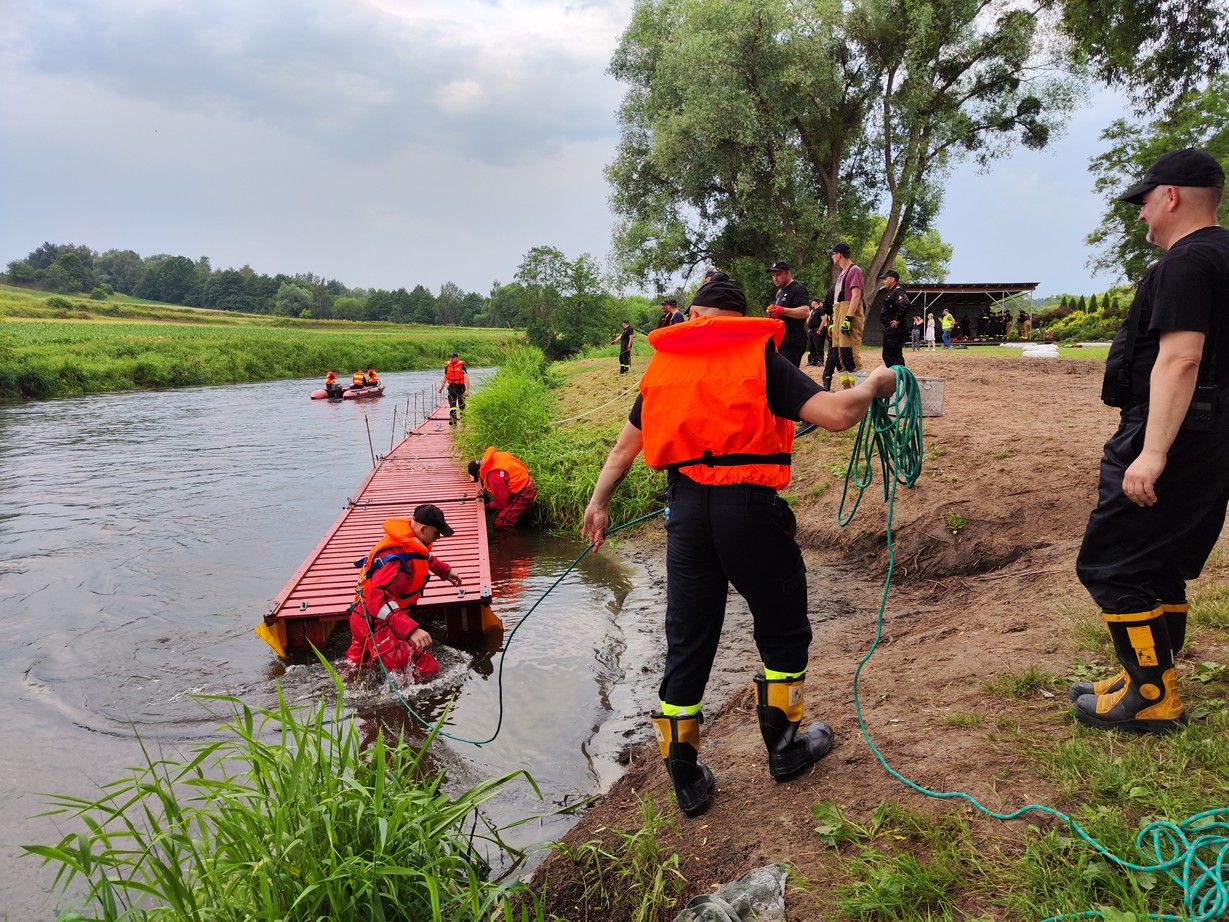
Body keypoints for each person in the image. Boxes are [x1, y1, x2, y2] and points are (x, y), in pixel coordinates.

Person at [580, 276, 898, 818]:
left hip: (684, 515)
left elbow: (624, 447)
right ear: (739, 318)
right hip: (748, 510)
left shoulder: (664, 365)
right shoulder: (757, 356)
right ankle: (785, 748)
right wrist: (875, 384)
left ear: (696, 317)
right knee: (782, 624)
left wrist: (599, 502)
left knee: (688, 639)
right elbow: (838, 415)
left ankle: (685, 779)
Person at [1071, 148, 1229, 734]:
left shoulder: (1186, 264)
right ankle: (1151, 672)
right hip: (1214, 434)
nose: (1140, 215)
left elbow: (1182, 357)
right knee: (1159, 561)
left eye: (1144, 202)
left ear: (1171, 196)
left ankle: (1153, 694)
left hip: (1178, 430)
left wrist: (1153, 452)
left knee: (1111, 564)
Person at [346, 504, 463, 675]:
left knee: (354, 669)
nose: (438, 538)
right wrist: (411, 630)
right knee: (427, 670)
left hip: (361, 617)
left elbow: (422, 556)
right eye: (437, 533)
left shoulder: (410, 541)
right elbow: (377, 601)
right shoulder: (396, 562)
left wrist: (443, 570)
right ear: (423, 529)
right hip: (374, 622)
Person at [468, 446, 537, 530]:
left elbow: (501, 503)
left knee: (500, 525)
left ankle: (512, 542)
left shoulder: (494, 476)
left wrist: (489, 506)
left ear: (479, 472)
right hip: (525, 480)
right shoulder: (496, 456)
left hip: (524, 494)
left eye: (478, 476)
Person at [829, 242, 865, 389]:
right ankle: (847, 390)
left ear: (839, 254)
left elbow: (856, 296)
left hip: (847, 313)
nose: (832, 256)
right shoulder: (841, 274)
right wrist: (834, 321)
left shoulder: (854, 270)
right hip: (838, 313)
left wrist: (848, 318)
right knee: (839, 357)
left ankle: (861, 390)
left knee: (849, 355)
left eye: (833, 253)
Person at [766, 260, 810, 367]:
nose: (775, 278)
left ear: (788, 273)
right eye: (773, 275)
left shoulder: (798, 289)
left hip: (793, 338)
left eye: (778, 274)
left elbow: (805, 311)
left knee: (787, 374)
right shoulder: (780, 292)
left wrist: (783, 310)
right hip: (782, 338)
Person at [878, 269, 912, 368]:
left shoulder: (897, 291)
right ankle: (894, 378)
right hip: (890, 330)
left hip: (895, 330)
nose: (883, 281)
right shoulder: (892, 292)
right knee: (888, 356)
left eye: (885, 279)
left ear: (892, 279)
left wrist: (898, 319)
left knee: (893, 357)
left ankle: (900, 378)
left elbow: (905, 304)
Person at [439, 352, 469, 426]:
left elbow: (467, 378)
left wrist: (467, 390)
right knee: (452, 403)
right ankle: (453, 420)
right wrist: (441, 387)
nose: (451, 359)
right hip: (452, 386)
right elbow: (445, 377)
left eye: (453, 357)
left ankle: (463, 418)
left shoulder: (462, 366)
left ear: (457, 358)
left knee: (461, 403)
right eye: (450, 357)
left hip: (460, 386)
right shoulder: (448, 367)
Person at [805, 297, 827, 367]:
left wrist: (819, 329)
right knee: (811, 346)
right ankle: (813, 360)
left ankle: (821, 360)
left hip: (816, 330)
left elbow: (823, 320)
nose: (811, 303)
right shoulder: (813, 310)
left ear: (815, 302)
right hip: (811, 331)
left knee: (818, 346)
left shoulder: (820, 309)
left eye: (812, 301)